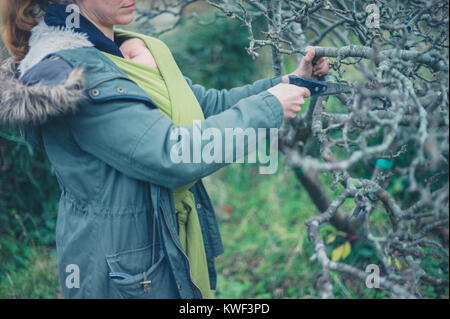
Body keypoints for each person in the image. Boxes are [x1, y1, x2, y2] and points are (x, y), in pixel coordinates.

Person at [0, 0, 330, 299]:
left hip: (161, 246)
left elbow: (201, 106)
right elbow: (172, 153)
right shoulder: (71, 75)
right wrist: (269, 108)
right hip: (124, 272)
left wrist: (287, 84)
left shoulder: (118, 48)